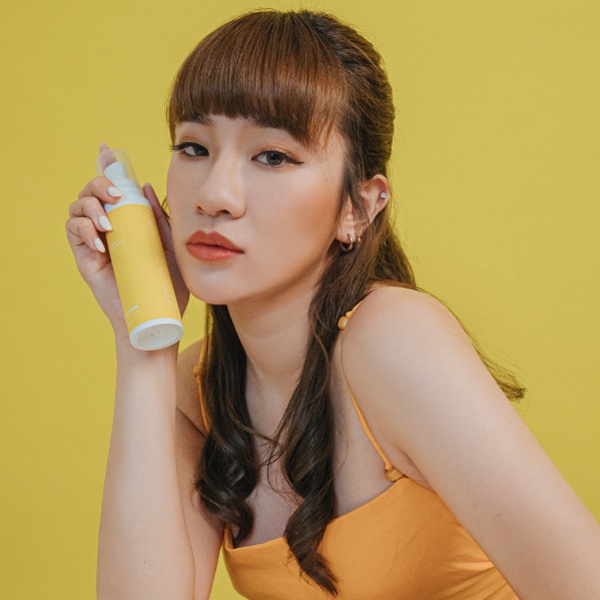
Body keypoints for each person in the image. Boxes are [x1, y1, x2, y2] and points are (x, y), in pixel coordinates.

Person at [66, 9, 600, 600]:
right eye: (194, 147)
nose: (214, 194)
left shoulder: (392, 340)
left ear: (359, 207)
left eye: (273, 156)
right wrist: (145, 338)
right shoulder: (198, 393)